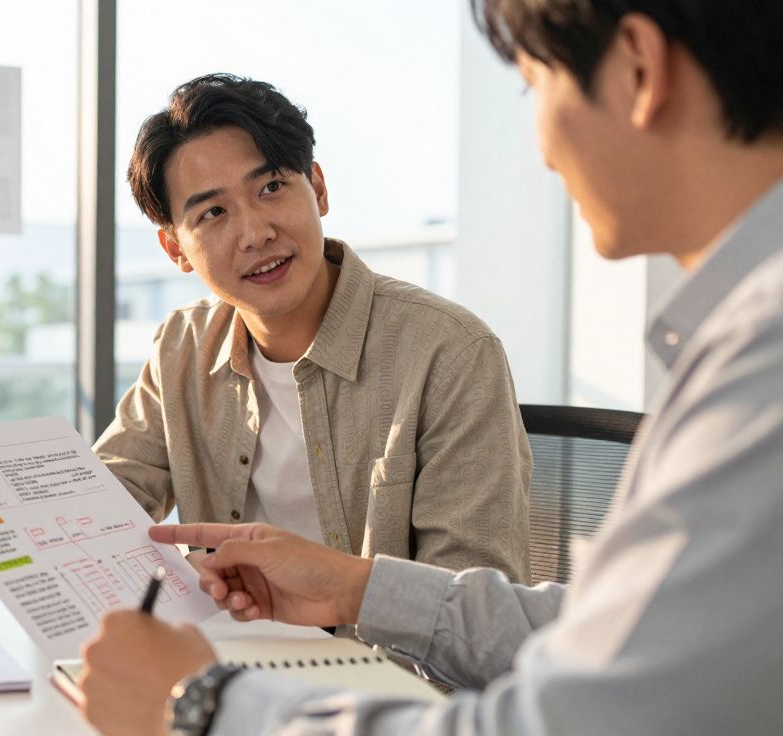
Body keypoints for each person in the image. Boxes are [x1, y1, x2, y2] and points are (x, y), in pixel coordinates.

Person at [76, 1, 783, 734]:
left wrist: (199, 707)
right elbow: (629, 634)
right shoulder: (769, 324)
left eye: (535, 85)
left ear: (638, 67)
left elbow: (571, 716)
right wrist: (357, 586)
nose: (541, 148)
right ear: (175, 245)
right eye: (212, 213)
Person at [97, 73, 530, 582]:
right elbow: (100, 506)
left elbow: (470, 601)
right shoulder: (182, 346)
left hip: (377, 660)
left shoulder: (449, 351)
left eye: (272, 187)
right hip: (219, 652)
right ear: (175, 249)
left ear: (318, 189)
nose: (256, 234)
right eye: (213, 212)